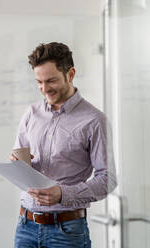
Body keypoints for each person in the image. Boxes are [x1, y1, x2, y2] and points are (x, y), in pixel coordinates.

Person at [9, 42, 117, 248]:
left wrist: (63, 194)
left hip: (66, 232)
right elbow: (21, 165)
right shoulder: (31, 113)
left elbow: (108, 179)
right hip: (25, 226)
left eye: (51, 81)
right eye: (39, 82)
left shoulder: (94, 120)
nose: (44, 89)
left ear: (71, 74)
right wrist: (17, 164)